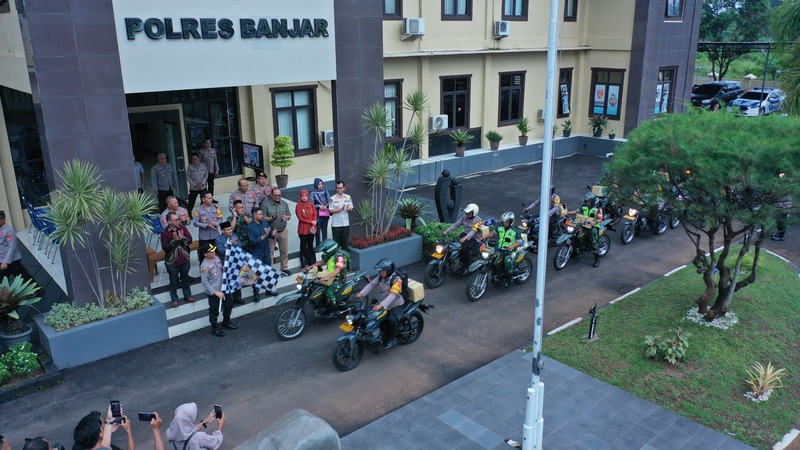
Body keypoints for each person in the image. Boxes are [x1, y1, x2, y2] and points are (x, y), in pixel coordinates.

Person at [354, 258, 405, 349]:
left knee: (391, 320)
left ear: (388, 271)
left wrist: (381, 305)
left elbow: (393, 295)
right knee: (372, 316)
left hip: (396, 304)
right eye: (380, 271)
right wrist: (362, 294)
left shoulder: (397, 280)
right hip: (384, 303)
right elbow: (371, 285)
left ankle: (391, 339)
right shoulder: (381, 277)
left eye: (383, 271)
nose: (380, 272)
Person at [200, 243, 237, 336]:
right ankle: (214, 327)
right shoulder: (204, 266)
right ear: (205, 254)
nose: (214, 252)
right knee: (214, 309)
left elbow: (220, 269)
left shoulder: (216, 258)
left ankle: (226, 321)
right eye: (211, 251)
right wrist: (215, 292)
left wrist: (224, 269)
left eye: (214, 250)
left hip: (223, 287)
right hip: (214, 292)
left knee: (229, 304)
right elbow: (205, 282)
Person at [162, 212, 195, 308]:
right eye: (175, 220)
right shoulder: (165, 233)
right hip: (172, 261)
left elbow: (190, 240)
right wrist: (174, 240)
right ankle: (174, 299)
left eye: (178, 219)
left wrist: (183, 238)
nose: (178, 221)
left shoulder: (183, 228)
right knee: (173, 281)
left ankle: (187, 295)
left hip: (184, 258)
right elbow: (165, 247)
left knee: (185, 278)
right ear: (169, 221)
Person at [302, 239, 349, 305]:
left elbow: (338, 270)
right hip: (330, 276)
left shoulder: (339, 257)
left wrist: (327, 278)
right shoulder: (331, 255)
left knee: (329, 291)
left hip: (338, 279)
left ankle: (334, 307)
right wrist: (310, 267)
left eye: (325, 251)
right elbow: (321, 262)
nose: (324, 252)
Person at [484, 211, 524, 286]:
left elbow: (519, 242)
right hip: (500, 249)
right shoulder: (500, 227)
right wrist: (484, 237)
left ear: (510, 222)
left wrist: (512, 246)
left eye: (505, 222)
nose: (503, 223)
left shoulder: (515, 230)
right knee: (493, 259)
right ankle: (496, 274)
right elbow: (493, 233)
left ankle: (508, 279)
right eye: (503, 221)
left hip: (511, 250)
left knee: (507, 261)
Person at [441, 203, 483, 273]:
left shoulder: (479, 222)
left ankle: (465, 265)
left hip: (474, 239)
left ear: (474, 213)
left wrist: (465, 238)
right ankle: (453, 262)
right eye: (467, 212)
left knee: (464, 249)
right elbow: (456, 225)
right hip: (464, 235)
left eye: (469, 212)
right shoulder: (464, 217)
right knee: (452, 245)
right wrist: (447, 231)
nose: (467, 213)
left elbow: (473, 232)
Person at [567, 192, 604, 268]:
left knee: (593, 242)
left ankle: (597, 259)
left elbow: (600, 219)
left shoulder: (598, 209)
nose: (587, 202)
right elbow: (576, 211)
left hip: (593, 226)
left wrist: (595, 221)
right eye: (586, 201)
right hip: (584, 224)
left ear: (592, 201)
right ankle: (575, 251)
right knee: (575, 234)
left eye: (588, 201)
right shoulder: (584, 207)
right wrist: (567, 213)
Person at [246, 207, 277, 297]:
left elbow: (270, 235)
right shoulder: (250, 227)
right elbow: (253, 241)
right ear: (255, 216)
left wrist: (272, 234)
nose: (262, 216)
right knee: (256, 274)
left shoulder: (265, 222)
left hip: (266, 252)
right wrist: (265, 235)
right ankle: (256, 293)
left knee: (268, 272)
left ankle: (269, 290)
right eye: (260, 214)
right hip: (257, 254)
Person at [261, 188, 292, 276]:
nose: (278, 197)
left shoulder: (284, 203)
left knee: (284, 250)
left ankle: (284, 268)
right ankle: (270, 270)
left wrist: (287, 217)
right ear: (271, 195)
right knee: (270, 253)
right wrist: (273, 218)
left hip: (282, 230)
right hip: (271, 231)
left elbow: (289, 214)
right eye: (276, 195)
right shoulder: (265, 204)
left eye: (279, 195)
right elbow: (262, 217)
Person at [214, 221, 247, 304]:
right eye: (228, 230)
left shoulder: (234, 236)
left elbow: (240, 246)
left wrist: (235, 244)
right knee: (227, 282)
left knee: (236, 280)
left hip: (235, 262)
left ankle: (238, 297)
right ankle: (228, 299)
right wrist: (231, 245)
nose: (230, 231)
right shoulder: (218, 239)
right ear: (223, 230)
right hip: (225, 264)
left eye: (230, 229)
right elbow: (221, 251)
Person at [0, 211, 33, 282]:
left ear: (4, 219)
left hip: (12, 260)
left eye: (0, 219)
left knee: (22, 276)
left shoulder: (9, 230)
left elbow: (12, 247)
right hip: (2, 259)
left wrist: (5, 262)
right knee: (2, 279)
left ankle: (37, 291)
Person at [193, 191, 223, 263]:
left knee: (217, 255)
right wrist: (206, 225)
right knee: (204, 257)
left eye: (211, 198)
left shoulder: (216, 208)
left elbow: (220, 218)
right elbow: (195, 222)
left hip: (215, 235)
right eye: (208, 198)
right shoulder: (198, 210)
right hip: (204, 237)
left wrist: (216, 223)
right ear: (203, 199)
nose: (211, 200)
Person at [295, 189, 318, 267]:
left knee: (311, 245)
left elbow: (314, 213)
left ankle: (313, 261)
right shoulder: (298, 206)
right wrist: (311, 222)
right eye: (303, 196)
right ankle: (304, 262)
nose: (304, 198)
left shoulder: (311, 204)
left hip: (311, 229)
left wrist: (314, 221)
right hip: (303, 229)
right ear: (300, 197)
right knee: (303, 246)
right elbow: (300, 218)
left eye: (306, 196)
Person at [329, 180, 353, 252]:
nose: (339, 189)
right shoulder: (332, 198)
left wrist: (348, 208)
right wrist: (340, 209)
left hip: (345, 223)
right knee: (336, 244)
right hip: (336, 224)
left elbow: (351, 208)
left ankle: (345, 259)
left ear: (344, 188)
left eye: (340, 188)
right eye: (338, 188)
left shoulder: (348, 197)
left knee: (345, 242)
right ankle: (337, 259)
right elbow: (330, 210)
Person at [310, 178, 331, 246]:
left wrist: (326, 206)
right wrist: (319, 206)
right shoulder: (313, 193)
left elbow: (329, 201)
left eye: (321, 184)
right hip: (317, 215)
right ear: (316, 184)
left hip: (325, 214)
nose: (320, 185)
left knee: (324, 231)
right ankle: (318, 246)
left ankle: (325, 245)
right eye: (319, 184)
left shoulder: (325, 191)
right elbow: (311, 204)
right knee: (317, 232)